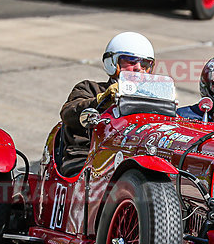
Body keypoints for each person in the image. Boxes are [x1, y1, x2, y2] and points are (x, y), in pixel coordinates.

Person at [58, 31, 155, 176]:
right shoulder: (89, 88)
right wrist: (102, 99)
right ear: (112, 63)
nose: (138, 68)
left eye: (145, 63)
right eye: (131, 61)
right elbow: (68, 113)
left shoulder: (153, 100)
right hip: (87, 159)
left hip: (134, 159)